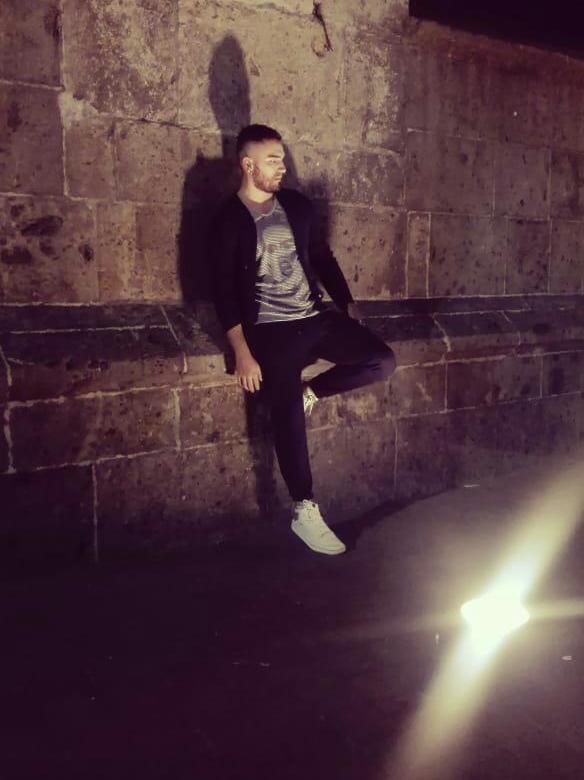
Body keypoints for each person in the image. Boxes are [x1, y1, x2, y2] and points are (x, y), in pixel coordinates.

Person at [210, 124, 396, 555]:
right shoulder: (228, 220)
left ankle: (312, 390)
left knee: (381, 360)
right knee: (286, 409)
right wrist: (241, 351)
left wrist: (347, 304)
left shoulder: (296, 205)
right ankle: (304, 508)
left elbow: (321, 256)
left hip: (314, 317)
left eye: (282, 158)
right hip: (271, 331)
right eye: (273, 160)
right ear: (248, 165)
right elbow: (223, 291)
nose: (282, 166)